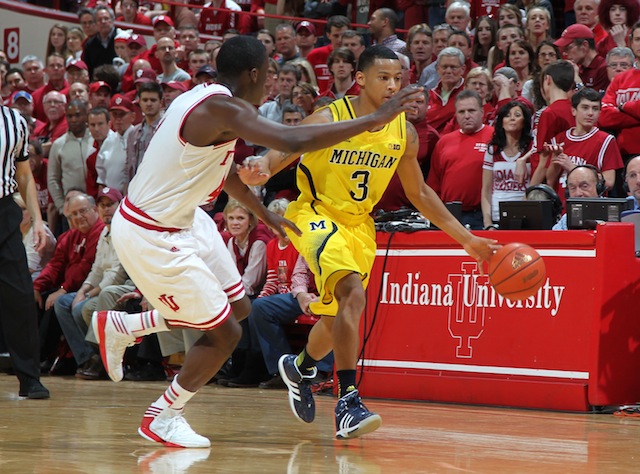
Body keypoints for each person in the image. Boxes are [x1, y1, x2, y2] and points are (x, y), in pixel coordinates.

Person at [92, 36, 423, 448]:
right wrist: (377, 119)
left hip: (187, 220)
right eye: (268, 73)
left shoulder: (208, 100)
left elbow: (222, 166)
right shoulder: (222, 107)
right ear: (253, 73)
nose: (270, 82)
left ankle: (126, 325)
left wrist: (262, 211)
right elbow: (292, 142)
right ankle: (162, 415)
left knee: (241, 308)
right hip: (151, 231)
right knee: (223, 335)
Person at [240, 46, 498, 440]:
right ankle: (348, 401)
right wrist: (263, 166)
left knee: (334, 318)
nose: (393, 85)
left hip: (360, 227)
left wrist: (467, 240)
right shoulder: (331, 116)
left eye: (398, 78)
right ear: (360, 80)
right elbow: (286, 147)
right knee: (352, 296)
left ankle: (302, 366)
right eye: (383, 78)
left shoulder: (403, 132)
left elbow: (421, 194)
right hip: (316, 215)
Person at [0, 72, 50, 399]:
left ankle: (30, 378)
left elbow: (24, 173)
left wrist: (40, 220)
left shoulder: (15, 121)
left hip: (3, 211)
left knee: (19, 295)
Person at [54, 187, 126, 380]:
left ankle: (101, 359)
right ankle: (87, 357)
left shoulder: (125, 231)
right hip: (101, 287)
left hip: (118, 287)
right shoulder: (105, 232)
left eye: (110, 204)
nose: (106, 209)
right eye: (103, 205)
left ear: (120, 206)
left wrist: (89, 294)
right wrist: (82, 291)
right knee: (63, 303)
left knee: (80, 309)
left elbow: (117, 274)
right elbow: (97, 269)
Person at [428, 89, 496, 230]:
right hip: (448, 215)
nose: (466, 116)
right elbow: (434, 185)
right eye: (461, 112)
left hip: (482, 215)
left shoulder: (495, 137)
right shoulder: (444, 142)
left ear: (482, 112)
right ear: (456, 114)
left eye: (471, 110)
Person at [546, 87, 623, 200]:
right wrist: (556, 160)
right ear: (573, 110)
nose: (590, 113)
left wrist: (573, 168)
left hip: (590, 207)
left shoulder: (606, 140)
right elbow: (550, 180)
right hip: (563, 206)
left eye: (595, 108)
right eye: (585, 108)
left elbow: (609, 182)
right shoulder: (559, 139)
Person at [481, 101, 533, 228]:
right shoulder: (493, 149)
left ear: (524, 121)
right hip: (497, 216)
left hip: (525, 217)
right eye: (508, 115)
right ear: (501, 121)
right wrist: (488, 224)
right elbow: (486, 190)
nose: (512, 118)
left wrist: (523, 159)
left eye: (517, 115)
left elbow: (542, 149)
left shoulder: (531, 148)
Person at [554, 24, 609, 95]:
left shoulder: (604, 69)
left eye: (568, 48)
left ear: (584, 45)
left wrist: (577, 81)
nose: (565, 53)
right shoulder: (579, 69)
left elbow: (593, 102)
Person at [552, 165, 604, 229]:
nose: (578, 193)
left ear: (598, 187)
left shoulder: (616, 214)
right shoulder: (566, 219)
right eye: (573, 188)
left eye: (584, 186)